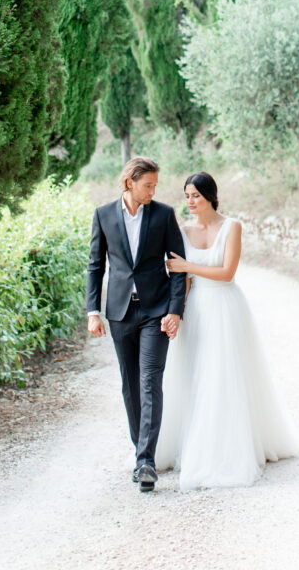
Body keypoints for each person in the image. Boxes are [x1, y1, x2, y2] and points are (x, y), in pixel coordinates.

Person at [155, 172, 296, 490]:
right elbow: (183, 281)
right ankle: (189, 443)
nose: (190, 202)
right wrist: (174, 313)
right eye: (187, 195)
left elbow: (227, 272)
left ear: (210, 196)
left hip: (225, 307)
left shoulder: (231, 227)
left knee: (222, 374)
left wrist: (187, 266)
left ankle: (227, 448)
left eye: (196, 196)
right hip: (196, 309)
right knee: (193, 373)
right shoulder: (182, 230)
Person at [86, 156, 186, 493]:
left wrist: (176, 310)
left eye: (155, 185)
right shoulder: (103, 215)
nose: (153, 191)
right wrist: (92, 311)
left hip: (156, 311)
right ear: (130, 182)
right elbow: (95, 266)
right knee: (130, 385)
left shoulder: (163, 214)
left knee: (149, 381)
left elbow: (177, 267)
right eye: (148, 185)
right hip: (119, 313)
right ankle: (140, 450)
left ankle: (146, 461)